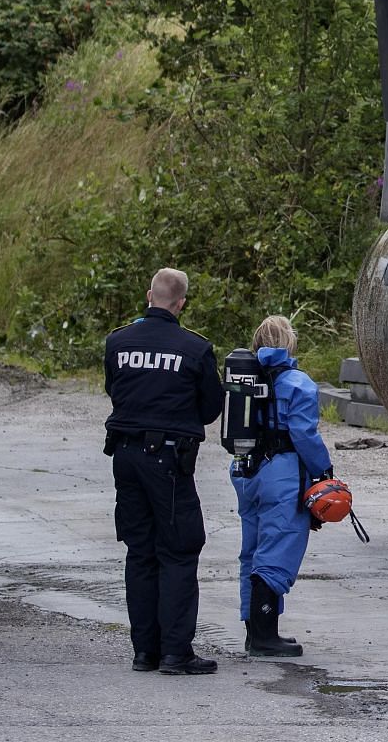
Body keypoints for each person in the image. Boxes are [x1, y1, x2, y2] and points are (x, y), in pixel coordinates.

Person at [103, 267, 222, 675]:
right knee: (179, 550)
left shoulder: (117, 342)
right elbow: (210, 409)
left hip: (126, 458)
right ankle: (175, 652)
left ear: (149, 295)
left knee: (140, 552)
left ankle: (144, 652)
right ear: (181, 303)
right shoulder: (194, 349)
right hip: (168, 463)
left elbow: (113, 388)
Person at [229, 314, 332, 659]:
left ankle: (255, 632)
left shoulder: (243, 379)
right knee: (277, 552)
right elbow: (304, 434)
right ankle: (264, 637)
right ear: (289, 343)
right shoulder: (299, 384)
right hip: (282, 474)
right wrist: (324, 470)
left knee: (252, 552)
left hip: (246, 472)